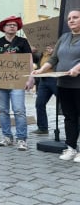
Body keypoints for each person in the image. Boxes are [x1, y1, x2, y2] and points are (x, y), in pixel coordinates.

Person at [33, 9, 80, 161]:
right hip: (64, 83)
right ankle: (71, 148)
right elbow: (53, 59)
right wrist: (41, 70)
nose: (71, 20)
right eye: (69, 18)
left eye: (75, 18)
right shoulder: (64, 37)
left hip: (78, 84)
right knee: (69, 117)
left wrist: (77, 68)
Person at [0, 15, 34, 151]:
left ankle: (22, 139)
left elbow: (29, 60)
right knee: (3, 110)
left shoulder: (23, 42)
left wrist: (31, 77)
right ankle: (7, 137)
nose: (12, 26)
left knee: (19, 110)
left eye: (14, 25)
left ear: (17, 27)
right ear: (3, 28)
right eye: (9, 24)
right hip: (0, 81)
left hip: (18, 81)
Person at [32, 44, 57, 135]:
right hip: (43, 79)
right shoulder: (43, 48)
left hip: (56, 78)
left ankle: (75, 127)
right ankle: (42, 128)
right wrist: (33, 51)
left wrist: (55, 51)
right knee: (39, 104)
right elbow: (36, 59)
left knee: (66, 104)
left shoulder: (58, 44)